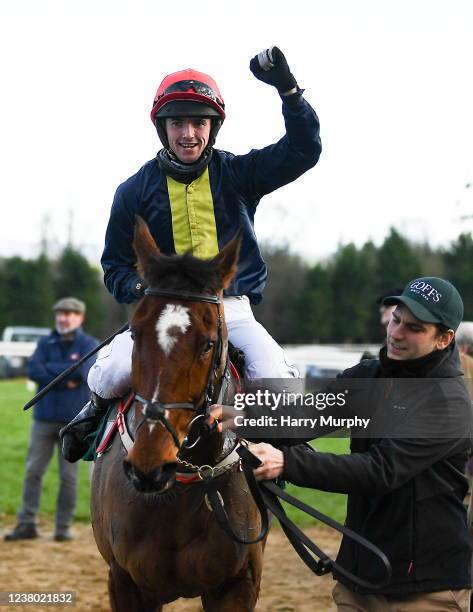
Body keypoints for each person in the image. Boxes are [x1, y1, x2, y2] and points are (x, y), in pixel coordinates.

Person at [60, 46, 322, 462]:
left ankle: (289, 453)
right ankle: (94, 414)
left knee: (275, 376)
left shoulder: (237, 174)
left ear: (212, 128)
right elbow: (114, 267)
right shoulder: (133, 191)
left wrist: (289, 92)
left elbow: (303, 151)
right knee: (110, 372)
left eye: (198, 123)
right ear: (162, 128)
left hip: (228, 306)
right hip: (162, 308)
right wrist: (143, 286)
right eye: (178, 122)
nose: (188, 134)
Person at [246, 277, 472, 611]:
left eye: (414, 328)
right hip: (359, 579)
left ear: (444, 339)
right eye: (396, 319)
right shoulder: (369, 377)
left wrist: (286, 463)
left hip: (428, 589)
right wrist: (238, 418)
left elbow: (380, 471)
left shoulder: (449, 401)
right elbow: (303, 418)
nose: (396, 333)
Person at [5, 298, 98, 542]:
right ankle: (26, 524)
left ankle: (63, 527)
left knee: (69, 477)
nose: (63, 318)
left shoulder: (89, 344)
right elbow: (34, 370)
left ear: (80, 318)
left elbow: (84, 373)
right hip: (43, 419)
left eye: (69, 314)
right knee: (33, 471)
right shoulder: (45, 342)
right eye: (60, 313)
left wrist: (53, 373)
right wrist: (66, 374)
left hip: (73, 424)